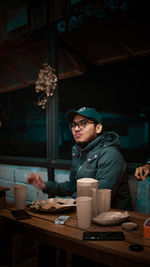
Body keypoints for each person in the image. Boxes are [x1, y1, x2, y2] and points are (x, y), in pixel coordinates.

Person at [27, 106, 132, 210]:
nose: (76, 129)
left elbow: (99, 196)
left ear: (98, 128)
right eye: (74, 125)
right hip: (86, 213)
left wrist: (63, 204)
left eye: (83, 123)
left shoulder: (110, 154)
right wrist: (45, 185)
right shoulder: (79, 152)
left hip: (112, 218)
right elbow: (73, 186)